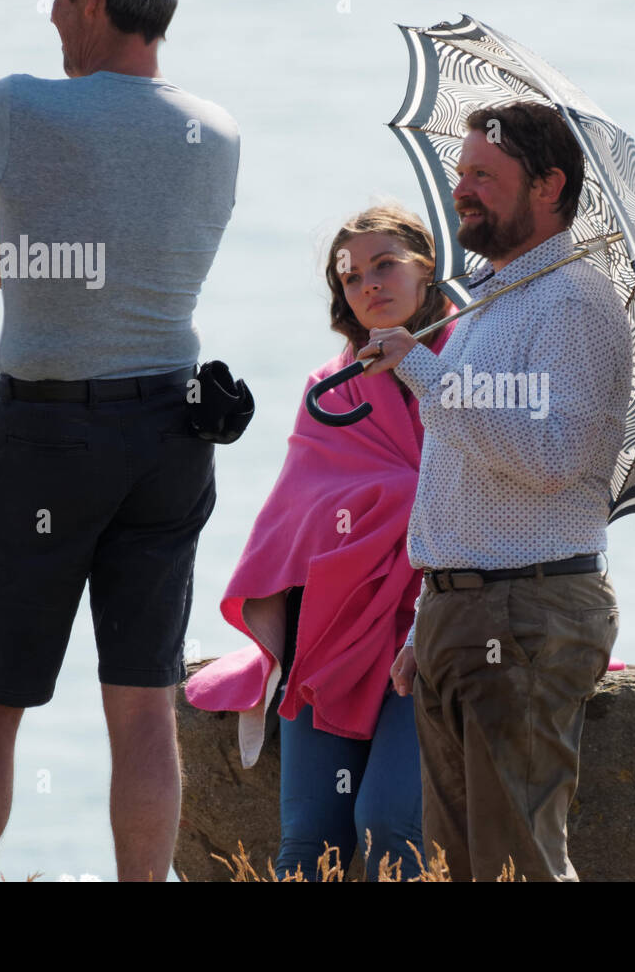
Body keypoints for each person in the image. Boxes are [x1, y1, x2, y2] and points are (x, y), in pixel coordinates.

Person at [0, 0, 239, 881]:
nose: (50, 19)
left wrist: (12, 254)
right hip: (169, 434)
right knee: (145, 701)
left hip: (49, 430)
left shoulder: (22, 107)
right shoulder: (216, 130)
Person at [368, 101, 633, 882]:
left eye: (485, 175)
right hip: (469, 611)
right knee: (457, 869)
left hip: (526, 614)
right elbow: (468, 468)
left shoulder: (575, 303)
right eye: (461, 173)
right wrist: (432, 610)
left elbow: (550, 458)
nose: (462, 190)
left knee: (517, 865)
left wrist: (423, 370)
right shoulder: (494, 300)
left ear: (549, 185)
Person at [186, 204, 457, 880]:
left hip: (442, 619)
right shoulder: (329, 390)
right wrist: (396, 499)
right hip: (335, 632)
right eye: (352, 276)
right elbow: (294, 522)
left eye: (386, 263)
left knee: (389, 817)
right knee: (309, 839)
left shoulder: (474, 369)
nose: (369, 284)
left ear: (429, 270)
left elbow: (500, 492)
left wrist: (395, 497)